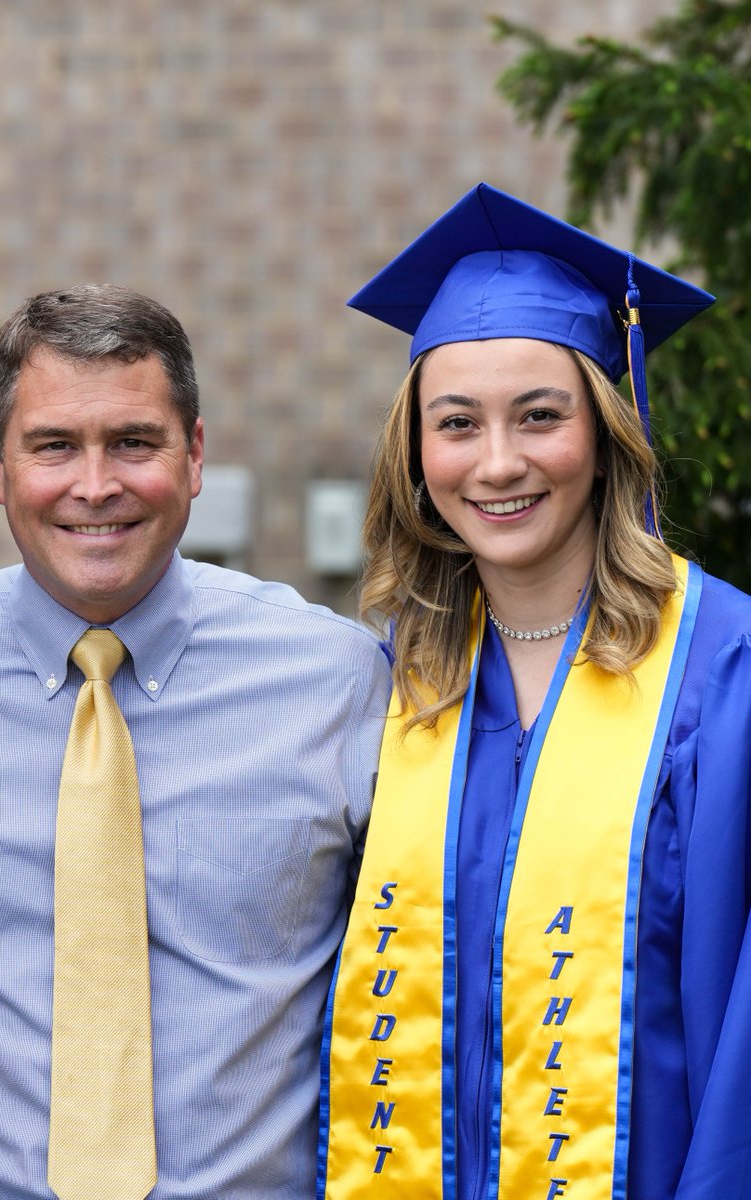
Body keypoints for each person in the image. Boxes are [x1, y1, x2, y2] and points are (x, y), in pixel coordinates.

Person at [0, 283, 391, 1200]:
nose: (96, 485)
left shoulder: (340, 684)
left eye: (135, 442)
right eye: (54, 446)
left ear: (196, 455)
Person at [320, 183, 751, 1199]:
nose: (499, 462)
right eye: (457, 423)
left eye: (541, 416)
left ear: (605, 433)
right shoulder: (388, 682)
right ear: (417, 456)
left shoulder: (726, 671)